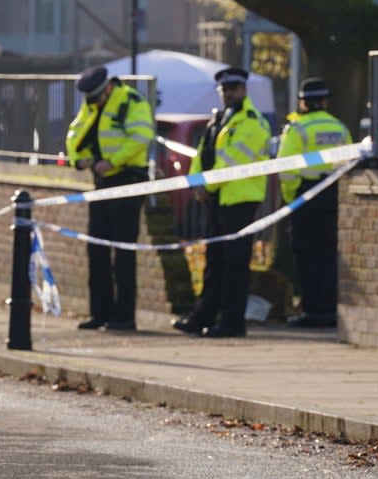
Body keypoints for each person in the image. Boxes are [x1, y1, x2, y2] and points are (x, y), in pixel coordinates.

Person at [173, 67, 271, 338]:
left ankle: (232, 321)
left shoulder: (251, 121)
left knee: (235, 263)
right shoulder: (218, 121)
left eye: (234, 89)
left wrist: (207, 185)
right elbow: (201, 156)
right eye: (225, 90)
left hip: (240, 199)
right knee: (214, 261)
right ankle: (203, 315)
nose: (228, 94)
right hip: (217, 199)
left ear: (243, 90)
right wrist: (196, 184)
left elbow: (231, 162)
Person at [64, 65, 155, 331]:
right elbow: (75, 133)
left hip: (128, 180)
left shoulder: (131, 101)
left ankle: (125, 317)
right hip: (102, 181)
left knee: (124, 251)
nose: (90, 103)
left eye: (94, 98)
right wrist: (77, 160)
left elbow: (141, 137)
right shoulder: (93, 104)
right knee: (97, 248)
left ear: (107, 89)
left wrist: (111, 161)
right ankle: (100, 313)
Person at [277, 77, 352, 328]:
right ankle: (330, 308)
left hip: (305, 197)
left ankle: (312, 310)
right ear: (325, 101)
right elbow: (348, 165)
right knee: (329, 254)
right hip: (332, 197)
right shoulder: (340, 128)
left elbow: (286, 170)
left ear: (304, 101)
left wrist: (291, 199)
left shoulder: (297, 129)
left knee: (307, 255)